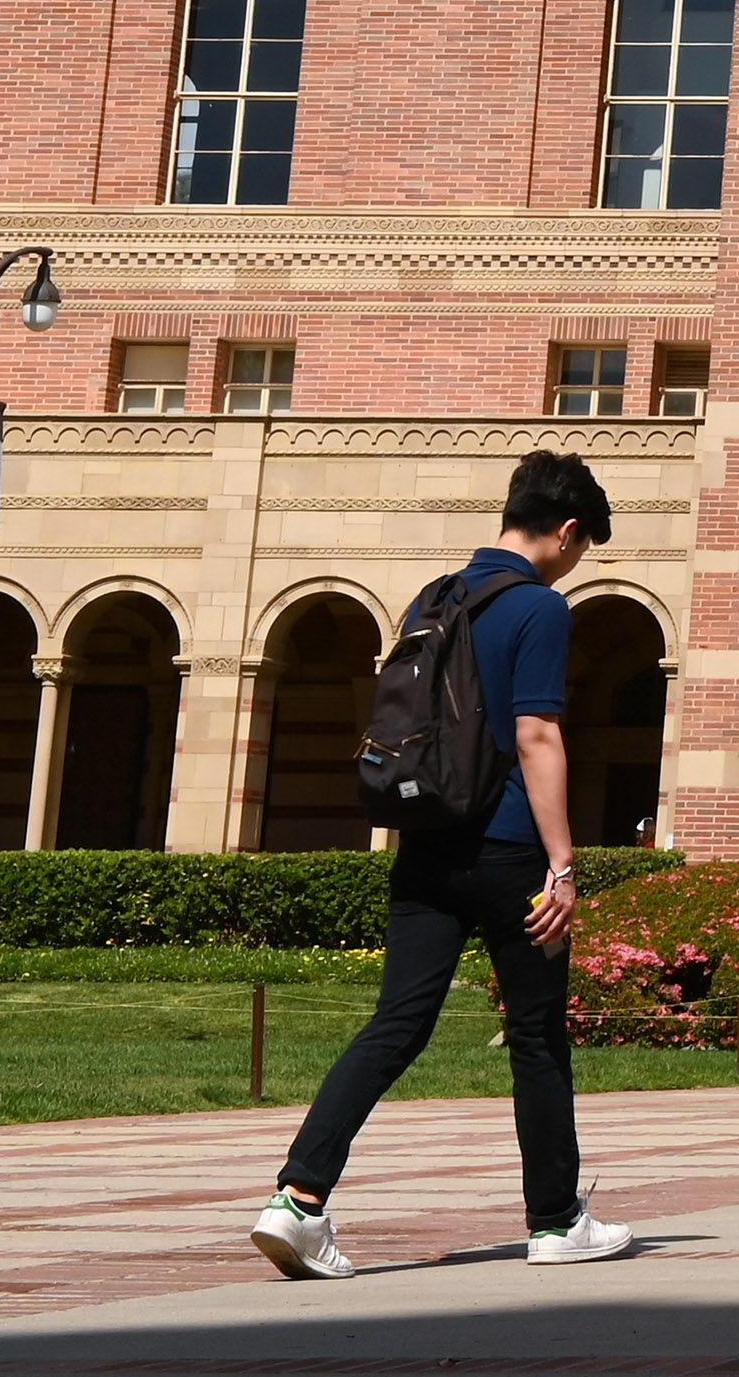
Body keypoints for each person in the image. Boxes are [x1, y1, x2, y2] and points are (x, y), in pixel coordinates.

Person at [251, 452, 637, 1275]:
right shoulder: (539, 608)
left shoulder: (438, 595)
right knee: (537, 1036)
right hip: (507, 851)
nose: (575, 562)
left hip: (425, 841)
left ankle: (298, 1199)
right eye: (582, 547)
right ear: (565, 531)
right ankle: (555, 1220)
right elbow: (537, 734)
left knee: (397, 1022)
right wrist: (563, 864)